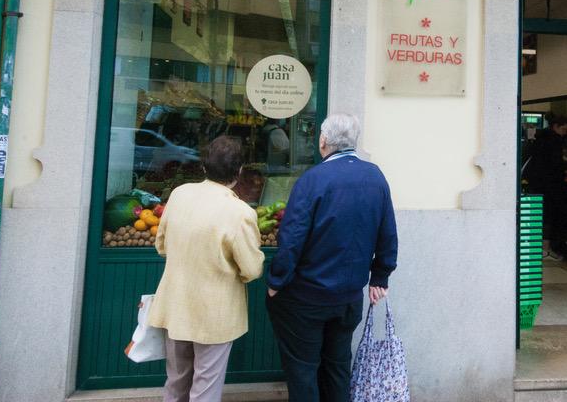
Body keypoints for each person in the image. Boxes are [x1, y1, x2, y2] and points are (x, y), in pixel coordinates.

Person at [266, 113, 398, 402]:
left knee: (303, 372)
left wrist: (276, 280)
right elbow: (387, 231)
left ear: (323, 141)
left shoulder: (313, 179)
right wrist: (380, 275)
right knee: (337, 369)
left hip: (306, 297)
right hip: (348, 298)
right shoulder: (375, 176)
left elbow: (293, 237)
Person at [148, 135, 266, 402]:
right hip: (215, 314)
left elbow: (161, 245)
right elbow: (251, 269)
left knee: (176, 383)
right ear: (239, 172)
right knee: (205, 389)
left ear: (204, 167)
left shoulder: (179, 195)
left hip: (175, 305)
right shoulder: (240, 212)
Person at [525, 113, 567, 257]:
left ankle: (538, 247)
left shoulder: (539, 139)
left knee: (538, 213)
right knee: (550, 216)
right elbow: (556, 166)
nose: (564, 133)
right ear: (556, 127)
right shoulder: (554, 141)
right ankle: (546, 248)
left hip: (536, 184)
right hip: (551, 186)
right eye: (563, 130)